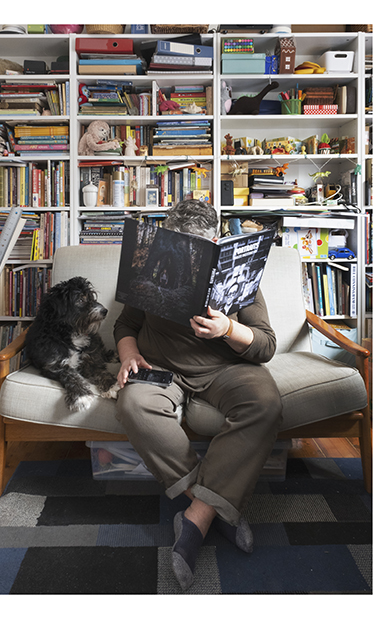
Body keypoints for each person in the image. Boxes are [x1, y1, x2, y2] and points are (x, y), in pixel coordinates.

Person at [113, 200, 283, 590]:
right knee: (133, 404)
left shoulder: (242, 273)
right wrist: (129, 354)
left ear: (216, 242)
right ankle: (215, 505)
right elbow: (125, 323)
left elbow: (266, 346)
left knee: (266, 403)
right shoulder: (151, 266)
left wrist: (227, 329)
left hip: (228, 370)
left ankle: (196, 518)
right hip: (161, 368)